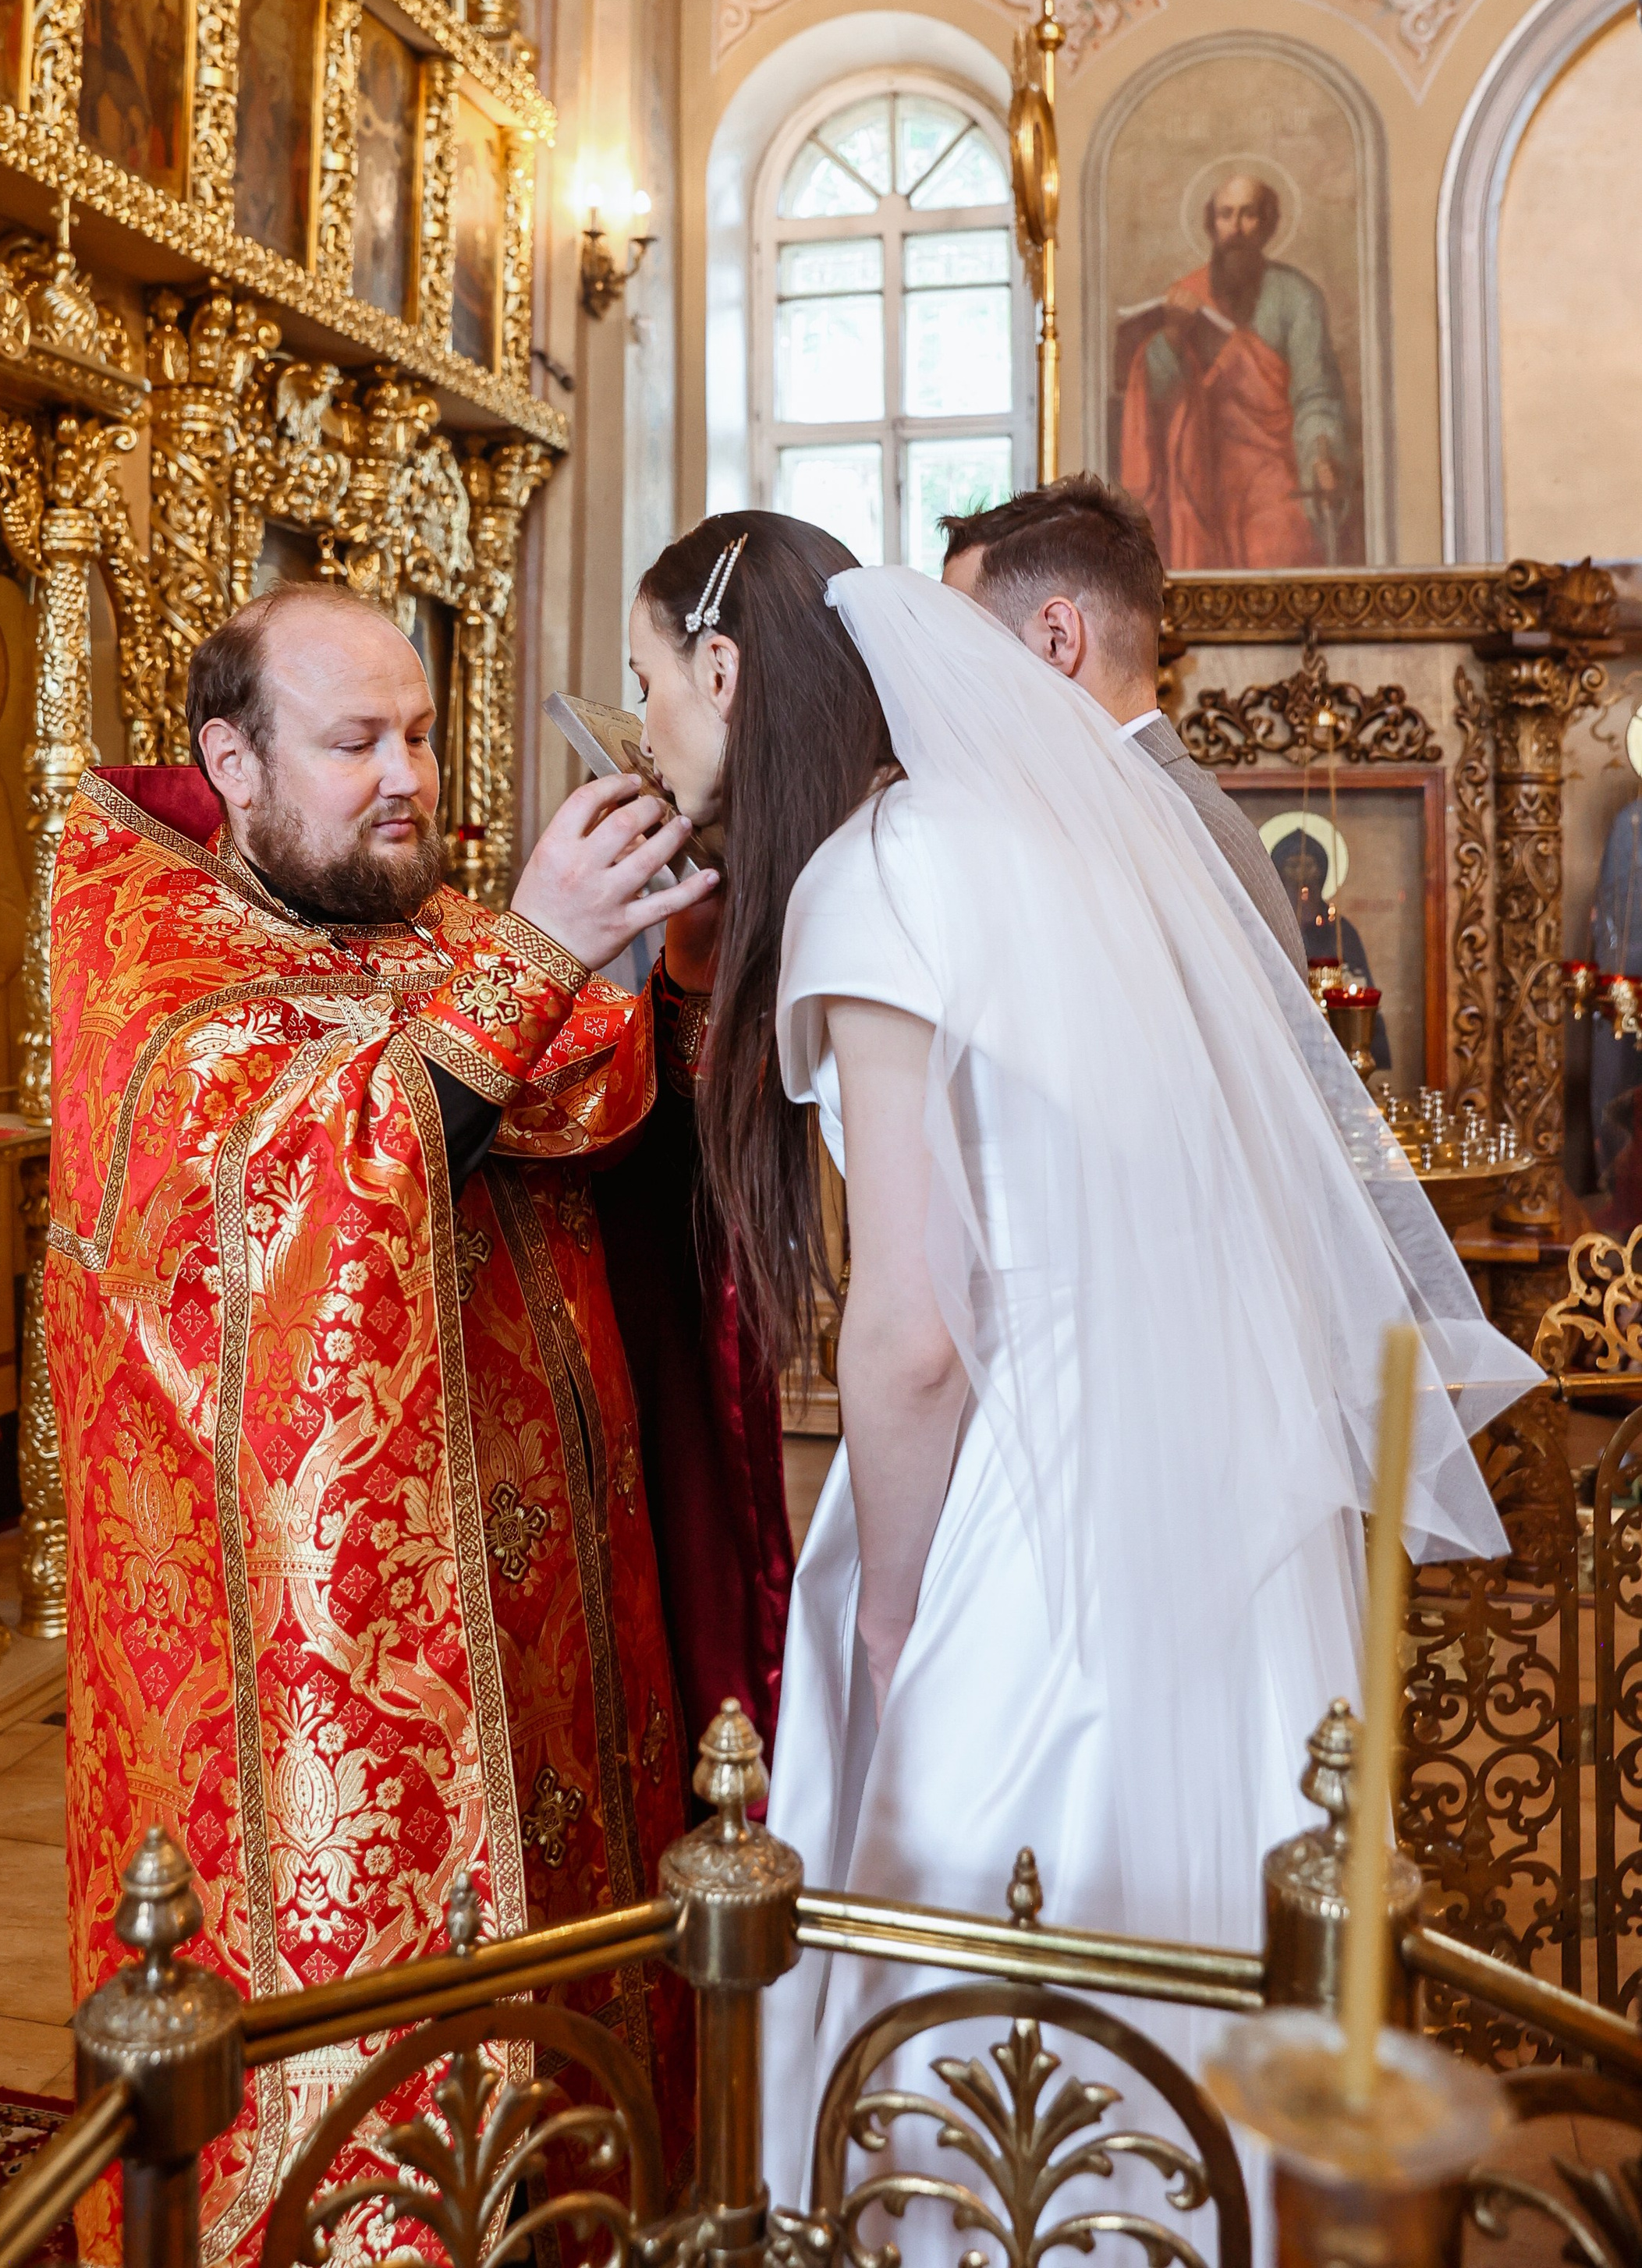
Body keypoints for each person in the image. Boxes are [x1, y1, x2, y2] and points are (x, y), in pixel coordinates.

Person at [626, 514, 1538, 2221]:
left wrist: (890, 1611)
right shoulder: (1068, 840)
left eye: (646, 683)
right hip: (1208, 1479)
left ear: (723, 673)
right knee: (1199, 1927)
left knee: (985, 1939)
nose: (644, 727)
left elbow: (913, 1331)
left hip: (1023, 1496)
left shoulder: (874, 874)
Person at [46, 582, 790, 2267]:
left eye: (423, 735)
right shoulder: (147, 956)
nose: (408, 778)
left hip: (548, 1624)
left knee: (570, 2008)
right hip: (327, 1654)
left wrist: (667, 970)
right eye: (356, 743)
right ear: (232, 761)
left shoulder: (426, 920)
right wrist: (534, 953)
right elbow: (298, 1191)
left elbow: (577, 1098)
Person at [940, 473, 1309, 976]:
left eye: (969, 644)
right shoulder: (1114, 805)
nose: (955, 678)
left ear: (1058, 638)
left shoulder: (1191, 836)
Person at [1116, 173, 1355, 570]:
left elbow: (1316, 394)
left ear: (1267, 224)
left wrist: (1320, 456)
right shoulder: (1187, 295)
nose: (1237, 227)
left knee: (1280, 553)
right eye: (1226, 215)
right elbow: (1154, 396)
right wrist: (1172, 337)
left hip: (1273, 473)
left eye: (1249, 215)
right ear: (1212, 224)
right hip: (1200, 472)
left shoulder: (1297, 297)